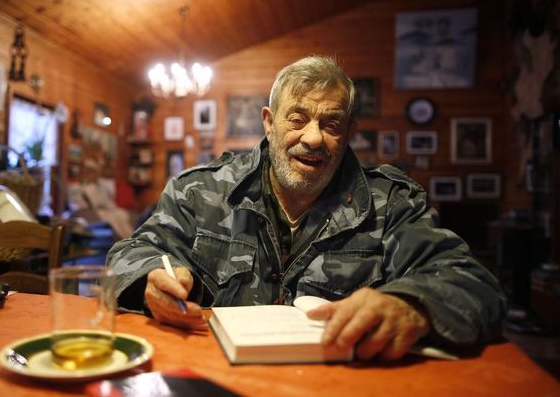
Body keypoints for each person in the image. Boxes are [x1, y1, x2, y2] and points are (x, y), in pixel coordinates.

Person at [107, 56, 506, 361]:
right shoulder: (198, 189)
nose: (313, 138)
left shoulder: (392, 203)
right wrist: (151, 280)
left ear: (349, 133)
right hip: (212, 376)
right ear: (269, 122)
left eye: (331, 125)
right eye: (297, 118)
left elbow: (473, 286)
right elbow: (128, 254)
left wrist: (413, 305)